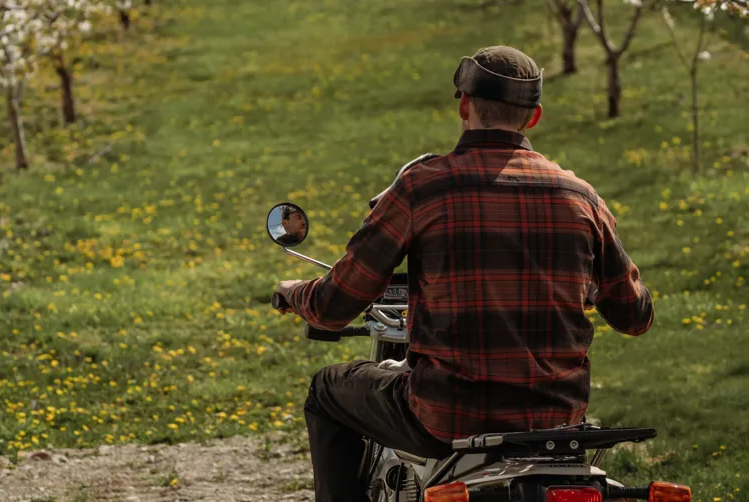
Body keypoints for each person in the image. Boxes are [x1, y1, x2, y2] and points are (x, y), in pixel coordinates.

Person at [275, 46, 654, 502]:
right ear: (533, 117)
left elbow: (334, 307)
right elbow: (635, 316)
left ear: (463, 104)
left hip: (447, 416)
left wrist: (295, 293)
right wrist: (584, 288)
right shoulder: (581, 198)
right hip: (557, 423)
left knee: (327, 391)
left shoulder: (421, 187)